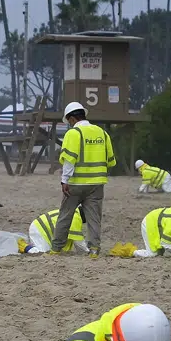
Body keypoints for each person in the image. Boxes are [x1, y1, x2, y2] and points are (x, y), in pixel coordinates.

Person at [52, 103, 114, 257]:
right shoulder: (102, 133)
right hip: (97, 184)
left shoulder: (74, 133)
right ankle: (94, 250)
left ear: (72, 118)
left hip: (76, 183)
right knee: (94, 217)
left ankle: (56, 249)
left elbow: (69, 160)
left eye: (69, 122)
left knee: (65, 215)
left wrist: (64, 180)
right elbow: (110, 161)